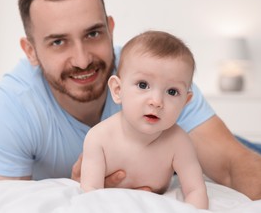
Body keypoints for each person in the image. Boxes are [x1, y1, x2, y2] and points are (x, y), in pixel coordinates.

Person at [0, 0, 261, 200]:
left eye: (93, 34)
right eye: (58, 42)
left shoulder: (155, 79)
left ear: (111, 28)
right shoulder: (13, 104)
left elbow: (232, 162)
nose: (81, 60)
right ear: (31, 51)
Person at [80, 31, 208, 209]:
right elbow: (90, 192)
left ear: (185, 102)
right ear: (118, 90)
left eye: (172, 92)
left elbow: (195, 190)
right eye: (143, 85)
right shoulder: (99, 138)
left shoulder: (179, 142)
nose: (156, 101)